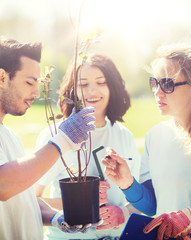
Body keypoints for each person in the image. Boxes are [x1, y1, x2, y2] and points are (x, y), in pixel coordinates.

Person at [0, 37, 96, 239]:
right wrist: (63, 140)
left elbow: (23, 197)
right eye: (29, 82)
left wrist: (57, 218)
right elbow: (1, 185)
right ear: (2, 78)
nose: (36, 92)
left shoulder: (9, 135)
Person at [101, 44, 191, 239]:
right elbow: (152, 205)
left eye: (168, 84)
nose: (158, 92)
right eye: (155, 83)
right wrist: (127, 183)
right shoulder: (154, 136)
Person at [34, 53, 141, 240]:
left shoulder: (124, 136)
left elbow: (141, 200)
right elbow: (29, 200)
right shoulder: (56, 136)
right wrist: (78, 202)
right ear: (72, 90)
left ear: (113, 87)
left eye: (101, 82)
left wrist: (123, 212)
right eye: (83, 84)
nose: (92, 91)